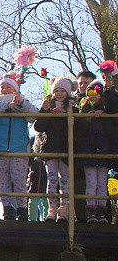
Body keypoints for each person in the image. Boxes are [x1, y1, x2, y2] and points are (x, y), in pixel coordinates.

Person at [0, 72, 38, 221]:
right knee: (4, 180)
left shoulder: (22, 103)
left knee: (19, 180)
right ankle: (8, 209)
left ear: (15, 89)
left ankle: (22, 209)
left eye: (8, 87)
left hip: (19, 148)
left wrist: (22, 103)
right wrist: (6, 106)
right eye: (2, 87)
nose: (5, 89)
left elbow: (34, 116)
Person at [34, 77, 84, 222]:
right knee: (52, 180)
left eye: (62, 91)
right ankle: (52, 209)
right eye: (57, 91)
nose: (59, 94)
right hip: (50, 149)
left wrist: (67, 114)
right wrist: (46, 112)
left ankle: (64, 210)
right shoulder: (48, 106)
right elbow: (39, 127)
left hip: (66, 149)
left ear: (67, 92)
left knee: (65, 181)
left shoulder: (72, 107)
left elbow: (78, 128)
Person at [78, 79, 114, 223]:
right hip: (89, 154)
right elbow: (80, 132)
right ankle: (91, 212)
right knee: (91, 183)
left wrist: (103, 115)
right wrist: (87, 118)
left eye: (96, 93)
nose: (93, 97)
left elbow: (111, 130)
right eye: (90, 94)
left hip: (103, 154)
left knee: (102, 184)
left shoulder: (107, 112)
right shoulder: (83, 112)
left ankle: (101, 212)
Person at [27, 135, 49, 222]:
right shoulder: (33, 140)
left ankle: (47, 218)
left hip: (46, 174)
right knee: (33, 195)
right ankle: (32, 219)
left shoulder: (48, 139)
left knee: (47, 195)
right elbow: (28, 160)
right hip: (35, 173)